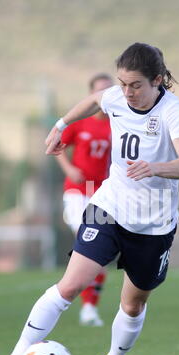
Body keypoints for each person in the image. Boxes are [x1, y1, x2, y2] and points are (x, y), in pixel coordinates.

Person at [0, 42, 179, 355]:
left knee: (133, 304)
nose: (127, 92)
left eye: (135, 85)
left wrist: (156, 167)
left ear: (157, 81)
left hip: (153, 226)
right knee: (70, 285)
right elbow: (94, 101)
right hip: (108, 207)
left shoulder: (173, 112)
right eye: (122, 84)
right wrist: (61, 125)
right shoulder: (117, 97)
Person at [56, 73, 113, 326]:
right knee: (88, 240)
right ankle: (68, 298)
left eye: (109, 90)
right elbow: (57, 145)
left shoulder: (118, 123)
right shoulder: (80, 122)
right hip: (78, 191)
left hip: (102, 193)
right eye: (99, 91)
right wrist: (68, 168)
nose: (104, 96)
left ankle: (89, 308)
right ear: (91, 95)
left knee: (98, 251)